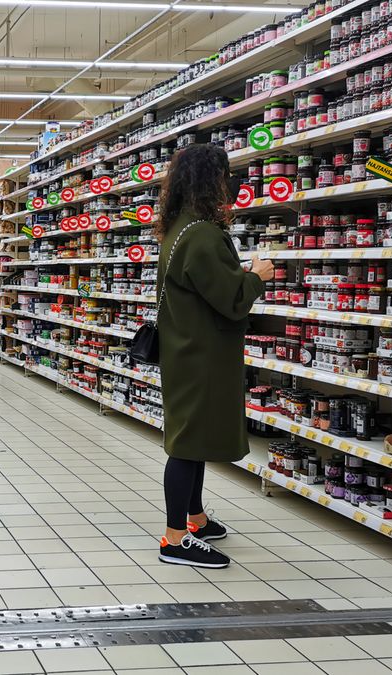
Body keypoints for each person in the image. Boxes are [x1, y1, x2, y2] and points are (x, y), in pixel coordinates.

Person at [154, 144, 275, 568]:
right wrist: (257, 277)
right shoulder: (202, 235)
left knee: (195, 439)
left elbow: (205, 288)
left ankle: (196, 519)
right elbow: (230, 299)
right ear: (211, 182)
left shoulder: (179, 228)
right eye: (225, 176)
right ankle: (174, 540)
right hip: (200, 356)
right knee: (187, 445)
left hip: (186, 349)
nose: (231, 185)